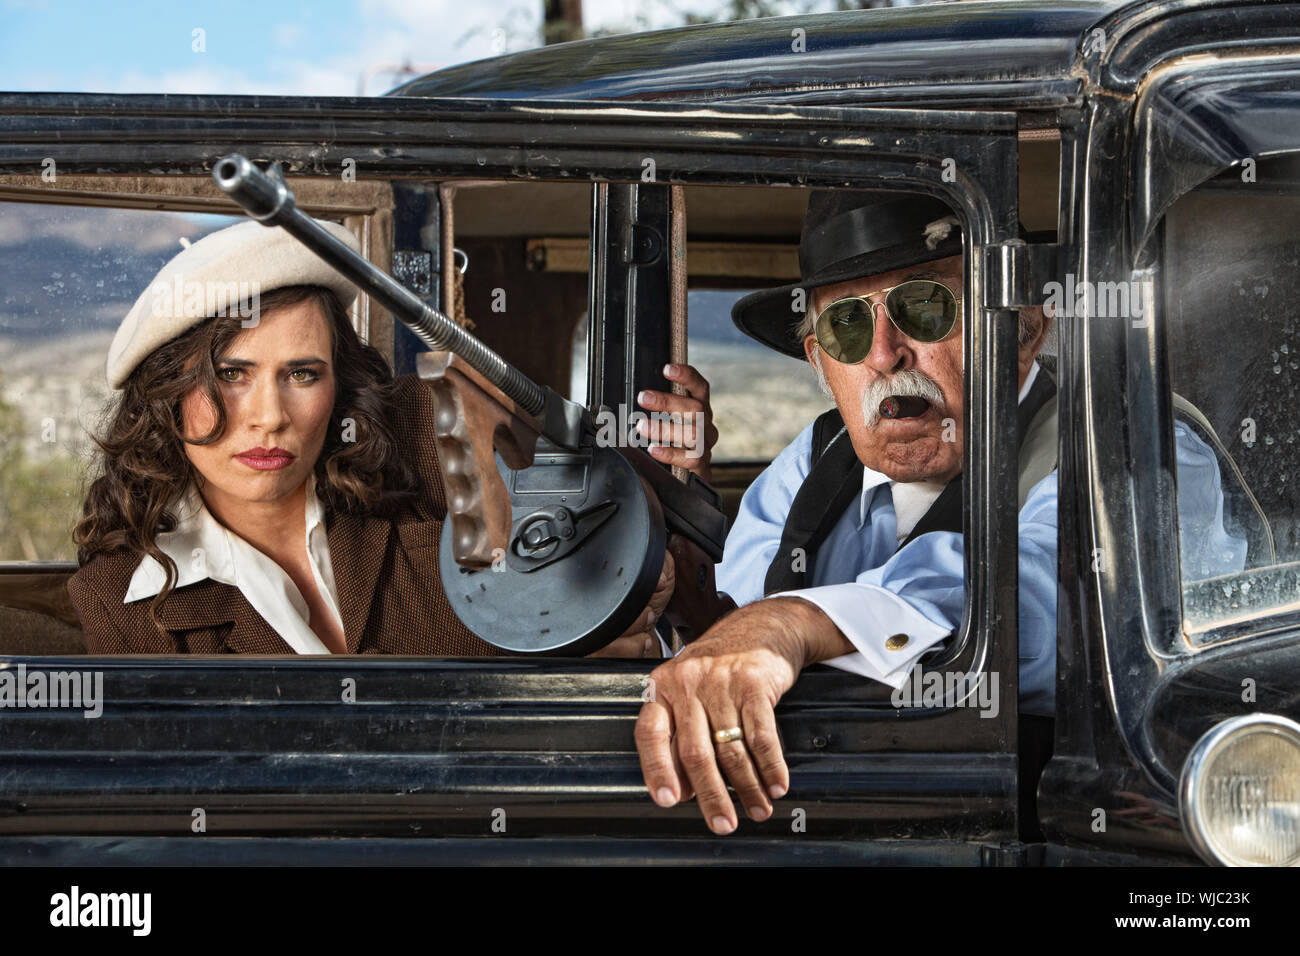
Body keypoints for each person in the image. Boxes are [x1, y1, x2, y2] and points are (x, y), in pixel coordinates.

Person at [632, 190, 1244, 835]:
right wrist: (675, 576)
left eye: (924, 309)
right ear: (820, 361)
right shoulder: (814, 459)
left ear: (1026, 329)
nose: (882, 355)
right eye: (846, 327)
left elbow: (1053, 598)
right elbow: (734, 629)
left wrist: (796, 622)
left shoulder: (1134, 440)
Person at [68, 219, 669, 657]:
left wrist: (666, 474)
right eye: (230, 375)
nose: (270, 416)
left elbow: (602, 553)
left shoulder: (424, 439)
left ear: (340, 383)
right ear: (165, 394)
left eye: (302, 374)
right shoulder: (122, 599)